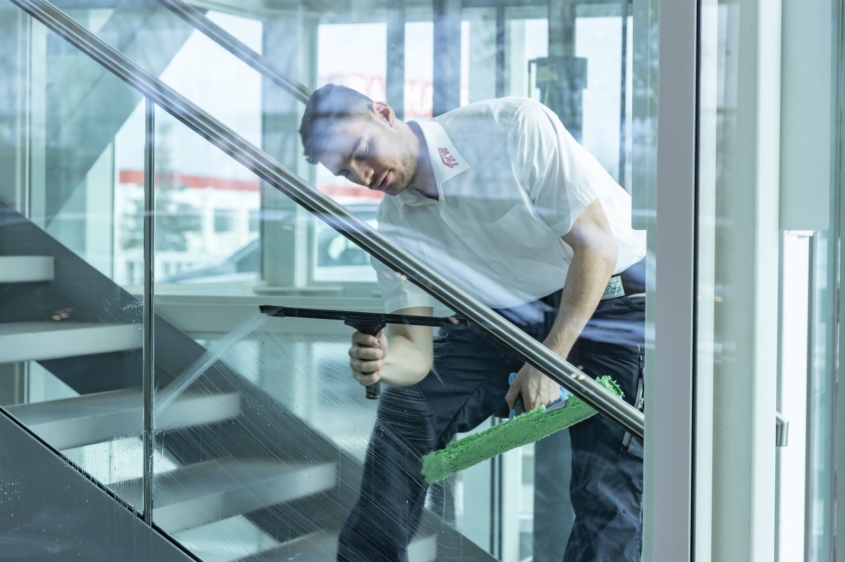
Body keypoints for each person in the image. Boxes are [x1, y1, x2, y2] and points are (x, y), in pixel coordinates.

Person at [299, 84, 646, 562]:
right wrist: (382, 362)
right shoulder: (394, 224)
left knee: (605, 493)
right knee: (407, 415)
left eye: (361, 152)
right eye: (346, 171)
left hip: (604, 302)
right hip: (502, 323)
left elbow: (598, 248)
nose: (363, 174)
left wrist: (549, 361)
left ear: (384, 113)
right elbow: (414, 354)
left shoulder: (511, 128)